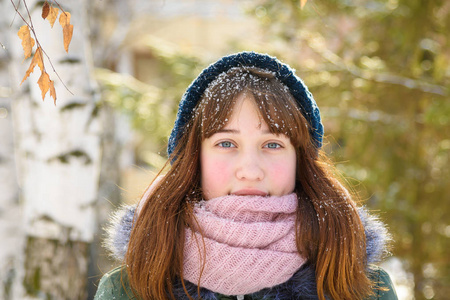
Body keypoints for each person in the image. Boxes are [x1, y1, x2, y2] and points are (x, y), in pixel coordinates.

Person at [94, 52, 398, 300]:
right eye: (226, 143)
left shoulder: (360, 286)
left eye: (273, 144)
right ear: (195, 160)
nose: (250, 171)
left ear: (299, 161)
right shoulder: (129, 290)